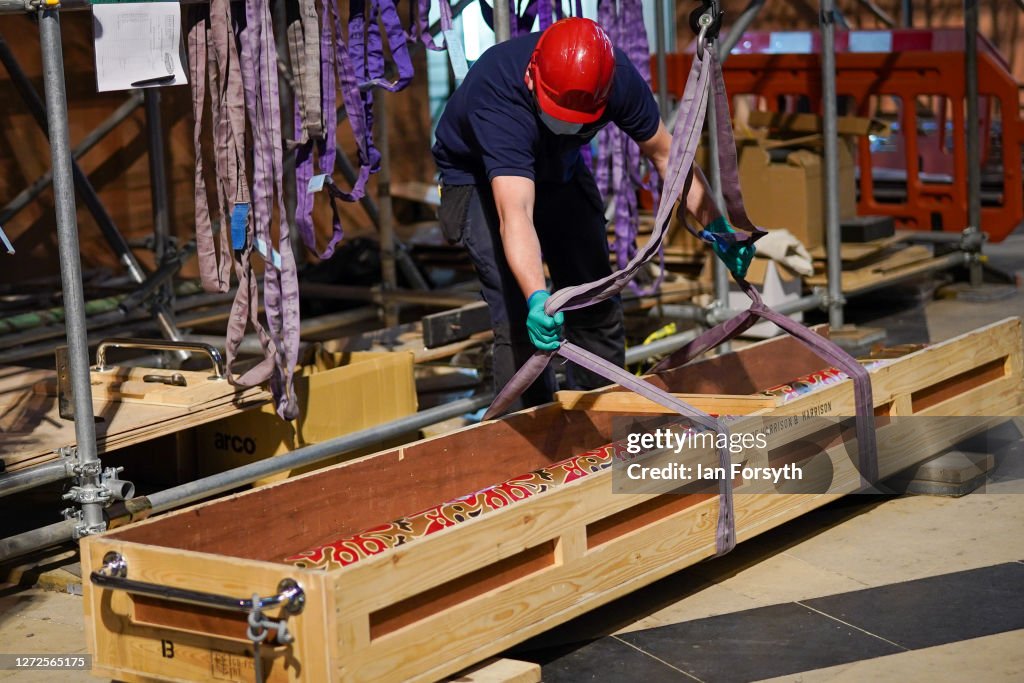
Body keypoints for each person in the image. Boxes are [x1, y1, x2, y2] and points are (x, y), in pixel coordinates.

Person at [432, 17, 753, 412]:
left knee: (594, 299)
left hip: (559, 167)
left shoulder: (615, 77)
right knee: (520, 317)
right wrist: (537, 297)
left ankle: (601, 422)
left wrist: (718, 228)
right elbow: (514, 211)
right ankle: (530, 441)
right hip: (481, 179)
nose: (569, 122)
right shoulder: (498, 97)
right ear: (532, 79)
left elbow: (668, 156)